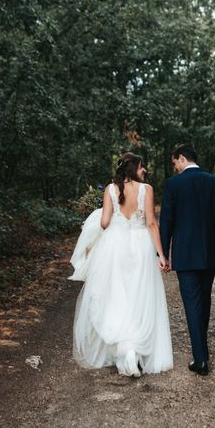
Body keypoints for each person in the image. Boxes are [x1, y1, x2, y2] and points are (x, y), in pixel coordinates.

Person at [69, 152, 173, 377]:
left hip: (115, 246)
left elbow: (105, 222)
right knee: (140, 296)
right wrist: (161, 255)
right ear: (133, 167)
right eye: (142, 166)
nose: (144, 170)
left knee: (117, 296)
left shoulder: (110, 189)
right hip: (141, 245)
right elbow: (152, 224)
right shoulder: (147, 190)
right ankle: (134, 350)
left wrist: (101, 217)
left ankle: (125, 349)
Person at [159, 144, 215, 376]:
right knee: (204, 301)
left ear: (181, 159)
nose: (175, 168)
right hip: (209, 253)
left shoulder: (173, 185)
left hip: (184, 254)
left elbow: (167, 222)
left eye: (175, 163)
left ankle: (201, 359)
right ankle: (202, 350)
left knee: (193, 304)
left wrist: (162, 253)